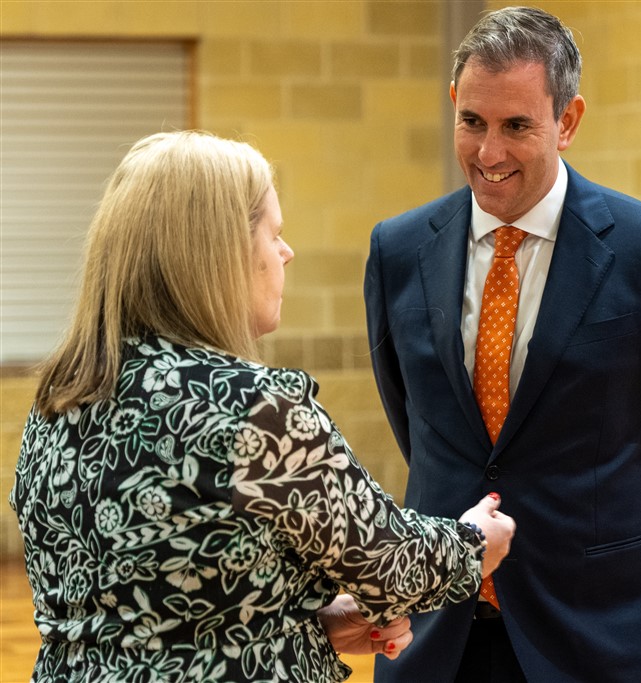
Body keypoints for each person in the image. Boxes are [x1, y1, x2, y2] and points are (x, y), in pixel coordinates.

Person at [8, 130, 515, 683]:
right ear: (219, 255)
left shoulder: (62, 396)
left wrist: (304, 624)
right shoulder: (255, 409)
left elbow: (157, 610)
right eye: (273, 234)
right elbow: (391, 561)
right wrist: (473, 542)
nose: (286, 252)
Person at [364, 6, 641, 682]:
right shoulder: (398, 249)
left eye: (516, 127)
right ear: (453, 103)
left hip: (601, 637)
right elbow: (425, 432)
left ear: (567, 121)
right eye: (472, 121)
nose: (489, 152)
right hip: (437, 643)